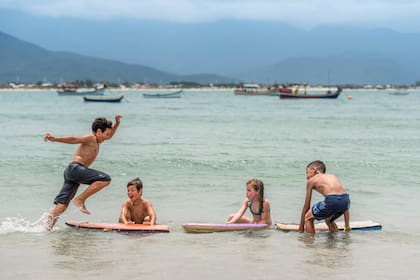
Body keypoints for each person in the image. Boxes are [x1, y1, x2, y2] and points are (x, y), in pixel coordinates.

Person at [44, 115, 122, 230]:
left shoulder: (98, 139)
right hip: (76, 169)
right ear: (99, 131)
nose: (107, 137)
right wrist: (55, 139)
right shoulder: (91, 138)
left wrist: (117, 123)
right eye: (106, 135)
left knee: (62, 205)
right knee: (105, 179)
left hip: (72, 172)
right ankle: (80, 199)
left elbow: (110, 135)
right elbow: (74, 139)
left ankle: (46, 228)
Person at [299, 160, 350, 234]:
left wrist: (301, 228)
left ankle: (309, 243)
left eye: (307, 172)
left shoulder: (312, 181)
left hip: (332, 200)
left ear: (314, 170)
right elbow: (343, 200)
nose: (307, 177)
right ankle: (333, 241)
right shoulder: (333, 176)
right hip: (346, 201)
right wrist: (347, 225)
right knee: (328, 219)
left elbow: (306, 206)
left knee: (308, 218)